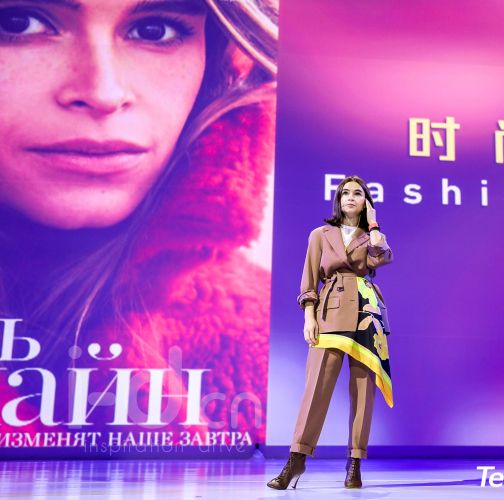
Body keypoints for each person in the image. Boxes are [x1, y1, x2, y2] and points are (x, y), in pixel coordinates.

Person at [0, 0, 277, 445]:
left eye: (154, 30)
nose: (104, 93)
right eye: (19, 23)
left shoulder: (284, 349)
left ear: (219, 55)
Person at [267, 175, 394, 490]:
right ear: (338, 200)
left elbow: (382, 257)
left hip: (366, 315)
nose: (350, 197)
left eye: (357, 194)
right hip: (330, 312)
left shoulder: (371, 236)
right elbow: (309, 280)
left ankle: (355, 462)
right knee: (316, 390)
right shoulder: (320, 235)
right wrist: (309, 317)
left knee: (363, 391)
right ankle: (296, 460)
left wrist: (374, 225)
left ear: (366, 203)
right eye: (345, 193)